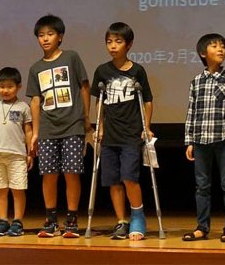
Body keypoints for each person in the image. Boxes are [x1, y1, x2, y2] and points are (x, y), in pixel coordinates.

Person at [26, 14, 91, 238]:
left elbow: (84, 87)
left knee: (72, 173)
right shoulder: (35, 68)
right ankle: (51, 220)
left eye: (50, 34)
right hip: (47, 128)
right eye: (41, 35)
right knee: (49, 174)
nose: (45, 39)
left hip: (72, 125)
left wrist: (86, 117)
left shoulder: (71, 57)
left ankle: (71, 219)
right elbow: (35, 101)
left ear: (60, 37)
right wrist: (35, 132)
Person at [90, 22, 154, 241]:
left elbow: (147, 100)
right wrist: (99, 127)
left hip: (131, 134)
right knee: (113, 180)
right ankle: (121, 221)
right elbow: (99, 102)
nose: (113, 46)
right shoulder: (102, 71)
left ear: (129, 44)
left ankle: (137, 216)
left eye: (118, 41)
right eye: (109, 42)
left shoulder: (137, 71)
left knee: (129, 177)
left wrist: (146, 127)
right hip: (110, 135)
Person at [182, 33, 225, 243]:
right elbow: (191, 112)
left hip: (224, 139)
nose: (220, 49)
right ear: (202, 53)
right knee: (202, 186)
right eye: (215, 46)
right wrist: (189, 140)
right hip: (200, 140)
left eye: (223, 46)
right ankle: (202, 227)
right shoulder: (196, 81)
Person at [0, 67, 34, 237]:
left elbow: (28, 130)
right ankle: (2, 221)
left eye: (9, 86)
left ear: (19, 87)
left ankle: (17, 221)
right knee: (0, 189)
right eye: (1, 86)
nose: (5, 90)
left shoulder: (23, 107)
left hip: (17, 155)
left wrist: (30, 152)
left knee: (18, 189)